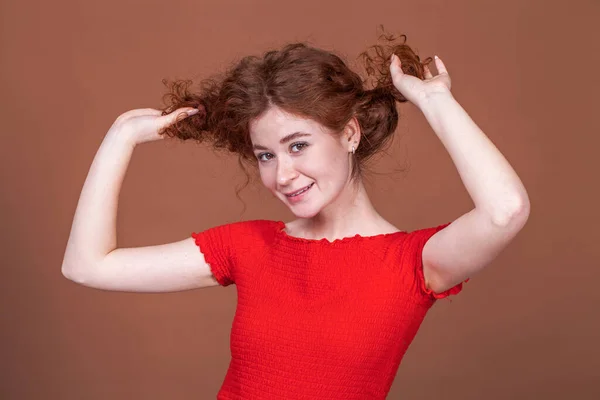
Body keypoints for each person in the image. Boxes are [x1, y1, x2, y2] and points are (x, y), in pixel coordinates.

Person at [61, 33, 530, 399]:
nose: (282, 174)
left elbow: (504, 211)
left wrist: (434, 100)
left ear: (349, 134)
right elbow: (87, 266)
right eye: (265, 155)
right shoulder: (248, 246)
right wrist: (120, 138)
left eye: (298, 146)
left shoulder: (413, 262)